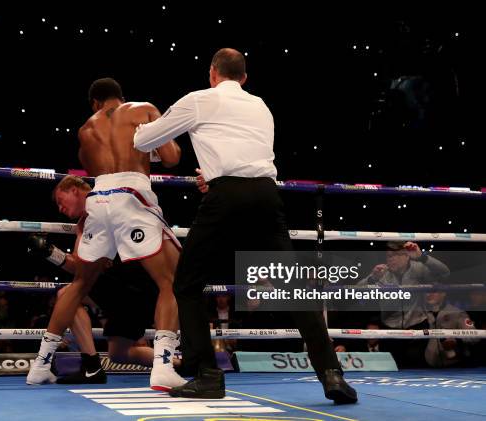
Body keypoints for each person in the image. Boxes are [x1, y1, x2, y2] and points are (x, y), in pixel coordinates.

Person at [133, 48, 357, 403]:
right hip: (266, 197)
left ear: (212, 73)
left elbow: (142, 140)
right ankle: (332, 375)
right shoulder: (261, 105)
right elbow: (243, 152)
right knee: (293, 288)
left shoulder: (199, 99)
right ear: (244, 78)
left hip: (226, 197)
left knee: (187, 283)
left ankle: (207, 374)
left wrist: (143, 120)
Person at [28, 78, 185, 391]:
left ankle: (40, 365)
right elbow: (171, 157)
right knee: (172, 281)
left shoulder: (86, 129)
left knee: (79, 284)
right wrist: (149, 148)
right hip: (132, 196)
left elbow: (92, 165)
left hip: (98, 199)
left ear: (94, 104)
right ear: (119, 97)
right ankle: (164, 366)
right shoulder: (143, 110)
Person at [27, 175, 178, 384]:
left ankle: (91, 366)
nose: (60, 208)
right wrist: (51, 253)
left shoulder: (103, 211)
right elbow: (81, 267)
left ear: (74, 190)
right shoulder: (85, 224)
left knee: (67, 294)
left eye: (61, 201)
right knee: (119, 354)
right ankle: (176, 364)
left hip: (137, 285)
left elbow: (82, 273)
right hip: (131, 294)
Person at [424, 291, 478, 367]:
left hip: (454, 365)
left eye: (434, 291)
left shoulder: (457, 312)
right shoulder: (421, 313)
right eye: (426, 291)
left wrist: (456, 340)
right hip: (426, 366)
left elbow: (474, 336)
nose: (429, 294)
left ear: (443, 293)